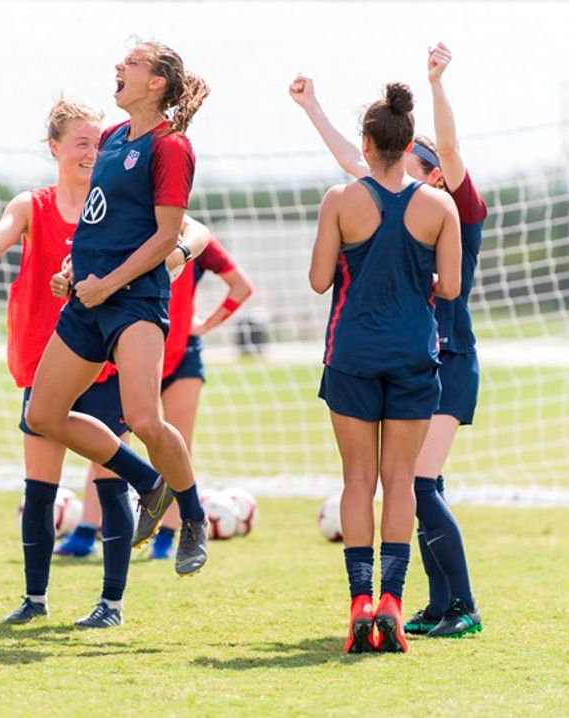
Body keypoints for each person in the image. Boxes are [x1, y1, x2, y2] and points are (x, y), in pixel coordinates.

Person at [0, 98, 212, 628]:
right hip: (53, 351)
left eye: (98, 142)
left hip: (111, 352)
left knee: (107, 483)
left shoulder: (116, 188)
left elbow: (192, 228)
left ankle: (111, 604)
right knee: (39, 486)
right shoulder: (34, 204)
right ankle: (35, 599)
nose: (93, 151)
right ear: (55, 149)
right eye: (81, 143)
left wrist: (175, 257)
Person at [291, 43, 484, 638]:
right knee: (405, 483)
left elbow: (320, 280)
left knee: (358, 482)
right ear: (410, 145)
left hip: (351, 353)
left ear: (369, 144)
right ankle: (395, 606)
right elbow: (448, 286)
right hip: (415, 357)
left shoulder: (339, 198)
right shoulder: (442, 208)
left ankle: (358, 607)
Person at [21, 41, 211, 628]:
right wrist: (73, 270)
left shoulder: (171, 147)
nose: (118, 70)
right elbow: (97, 219)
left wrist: (108, 286)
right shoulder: (110, 140)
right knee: (43, 414)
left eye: (130, 65)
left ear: (156, 83)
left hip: (134, 302)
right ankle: (147, 479)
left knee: (146, 420)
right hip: (88, 298)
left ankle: (194, 516)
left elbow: (164, 238)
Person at [55, 232, 254, 560]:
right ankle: (88, 530)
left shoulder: (195, 238)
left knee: (177, 446)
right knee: (112, 439)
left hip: (181, 355)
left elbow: (241, 286)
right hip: (132, 345)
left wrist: (203, 325)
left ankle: (170, 537)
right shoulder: (130, 230)